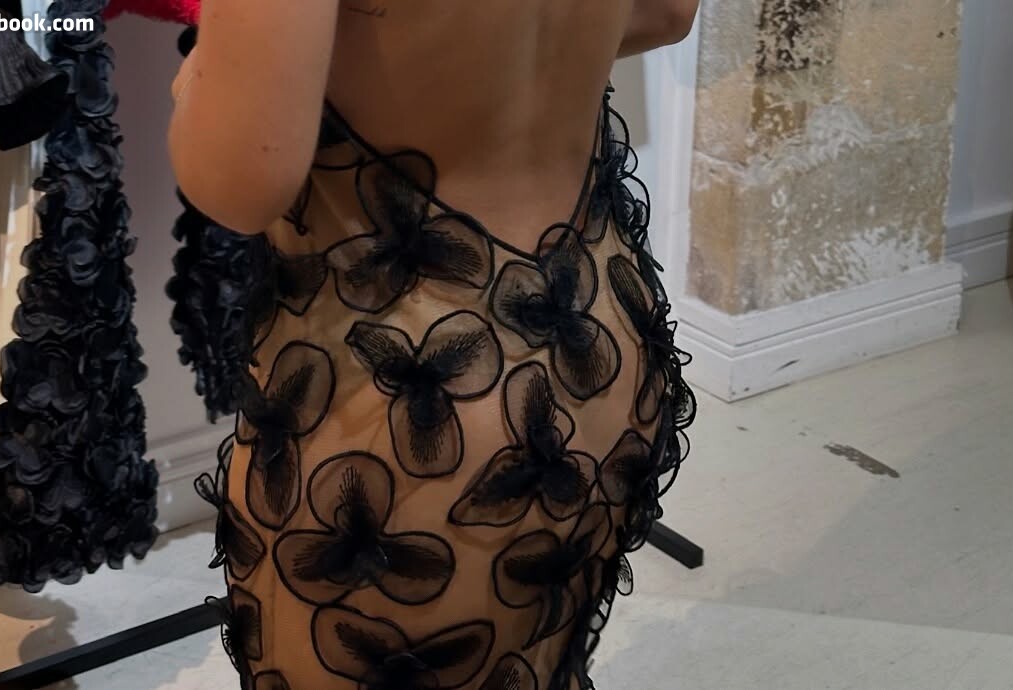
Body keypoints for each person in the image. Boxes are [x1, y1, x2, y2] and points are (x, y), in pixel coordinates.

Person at [168, 2, 699, 688]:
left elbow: (242, 178)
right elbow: (665, 13)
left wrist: (201, 80)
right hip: (600, 336)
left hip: (406, 407)